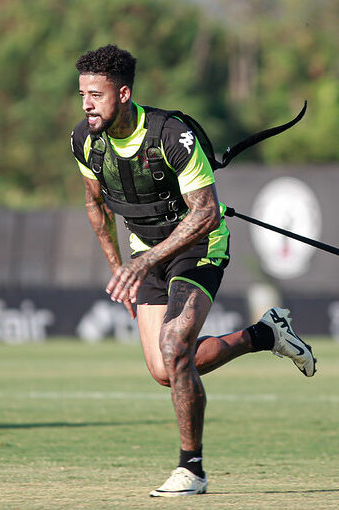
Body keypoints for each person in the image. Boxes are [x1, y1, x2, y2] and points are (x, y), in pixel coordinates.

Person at [70, 44, 317, 497]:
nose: (87, 103)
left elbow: (204, 214)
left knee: (173, 344)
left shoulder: (170, 135)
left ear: (123, 94)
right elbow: (95, 204)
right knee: (165, 369)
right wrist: (120, 270)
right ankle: (265, 335)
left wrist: (141, 261)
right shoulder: (84, 141)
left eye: (96, 95)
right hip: (147, 254)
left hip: (199, 245)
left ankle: (192, 470)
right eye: (83, 93)